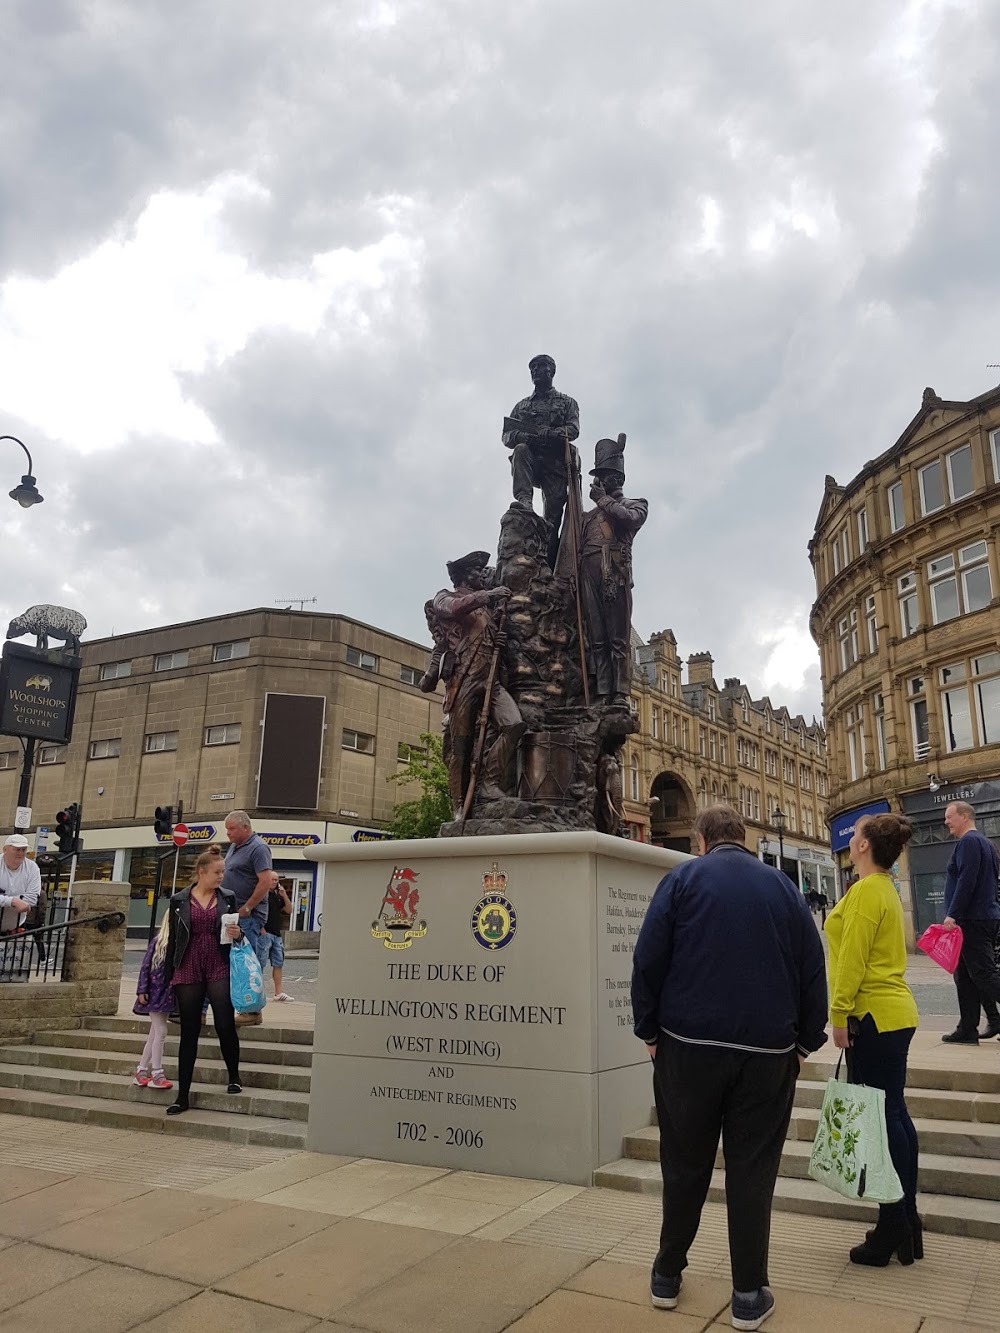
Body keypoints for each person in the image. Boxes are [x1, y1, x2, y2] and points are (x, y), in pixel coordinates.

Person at [631, 804, 828, 1331]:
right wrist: (806, 1042)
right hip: (766, 1054)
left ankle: (667, 1276)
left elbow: (648, 959)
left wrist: (649, 1031)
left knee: (684, 1162)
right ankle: (747, 1295)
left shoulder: (682, 880)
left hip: (688, 1048)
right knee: (752, 1170)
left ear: (700, 840)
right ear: (744, 839)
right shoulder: (784, 889)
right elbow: (813, 967)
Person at [826, 812, 920, 1266]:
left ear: (862, 845)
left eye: (857, 833)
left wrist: (838, 1016)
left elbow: (852, 962)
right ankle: (907, 1220)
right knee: (896, 1116)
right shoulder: (887, 889)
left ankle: (892, 1224)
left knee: (885, 1123)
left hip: (873, 1017)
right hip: (894, 1013)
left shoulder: (865, 891)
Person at [427, 551, 525, 817]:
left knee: (513, 725)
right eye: (476, 571)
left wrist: (499, 640)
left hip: (490, 680)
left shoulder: (486, 610)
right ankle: (459, 805)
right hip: (464, 681)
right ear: (463, 576)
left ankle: (489, 783)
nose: (482, 574)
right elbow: (455, 609)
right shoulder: (446, 597)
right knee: (461, 746)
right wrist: (489, 596)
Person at [163, 843, 243, 1115]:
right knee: (189, 1031)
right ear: (201, 872)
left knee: (224, 1023)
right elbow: (174, 939)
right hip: (188, 964)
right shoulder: (179, 899)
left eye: (223, 872)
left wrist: (237, 934)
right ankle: (182, 1095)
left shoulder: (228, 897)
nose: (221, 877)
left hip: (218, 962)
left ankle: (234, 1075)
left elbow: (238, 932)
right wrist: (167, 977)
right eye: (217, 872)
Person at [578, 436, 648, 706]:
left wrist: (603, 500)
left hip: (614, 573)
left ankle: (619, 694)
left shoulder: (635, 504)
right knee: (596, 637)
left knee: (617, 638)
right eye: (599, 477)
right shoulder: (590, 515)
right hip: (589, 575)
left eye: (604, 476)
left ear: (616, 478)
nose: (600, 481)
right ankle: (602, 691)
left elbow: (628, 520)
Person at [502, 353, 580, 562]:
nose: (536, 371)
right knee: (519, 450)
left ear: (552, 372)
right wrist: (525, 436)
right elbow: (507, 435)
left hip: (555, 466)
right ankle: (524, 500)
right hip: (532, 463)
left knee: (552, 521)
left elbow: (573, 430)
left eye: (541, 367)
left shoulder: (566, 402)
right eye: (533, 368)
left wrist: (553, 433)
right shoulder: (522, 406)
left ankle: (550, 566)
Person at [939, 800, 1000, 1044]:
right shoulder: (987, 844)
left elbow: (967, 879)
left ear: (964, 816)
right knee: (965, 976)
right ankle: (968, 1029)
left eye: (949, 817)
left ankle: (974, 1026)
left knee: (983, 974)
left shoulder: (968, 842)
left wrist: (953, 913)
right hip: (982, 916)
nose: (946, 822)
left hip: (972, 919)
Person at [222, 809, 273, 960]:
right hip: (232, 914)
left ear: (245, 828)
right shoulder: (234, 847)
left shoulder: (259, 848)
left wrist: (247, 907)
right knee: (230, 962)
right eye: (227, 829)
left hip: (247, 917)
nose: (228, 833)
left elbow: (265, 881)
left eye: (232, 829)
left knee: (245, 962)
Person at [132, 913, 175, 1091]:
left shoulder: (176, 943)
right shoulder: (158, 941)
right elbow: (145, 966)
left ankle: (141, 1069)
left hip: (167, 994)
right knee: (161, 1032)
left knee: (155, 1033)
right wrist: (142, 989)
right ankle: (157, 1072)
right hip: (156, 993)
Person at [258, 878, 294, 1001]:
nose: (274, 881)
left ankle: (278, 993)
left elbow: (289, 910)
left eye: (276, 880)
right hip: (265, 933)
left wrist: (284, 895)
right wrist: (261, 928)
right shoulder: (262, 895)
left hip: (276, 934)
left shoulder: (278, 896)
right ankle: (258, 991)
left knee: (278, 963)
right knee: (260, 963)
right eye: (272, 879)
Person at [0, 833, 40, 933]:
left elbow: (32, 898)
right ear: (5, 850)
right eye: (17, 849)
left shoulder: (32, 867)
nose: (21, 853)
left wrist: (4, 900)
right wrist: (13, 901)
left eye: (24, 850)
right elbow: (21, 903)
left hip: (13, 927)